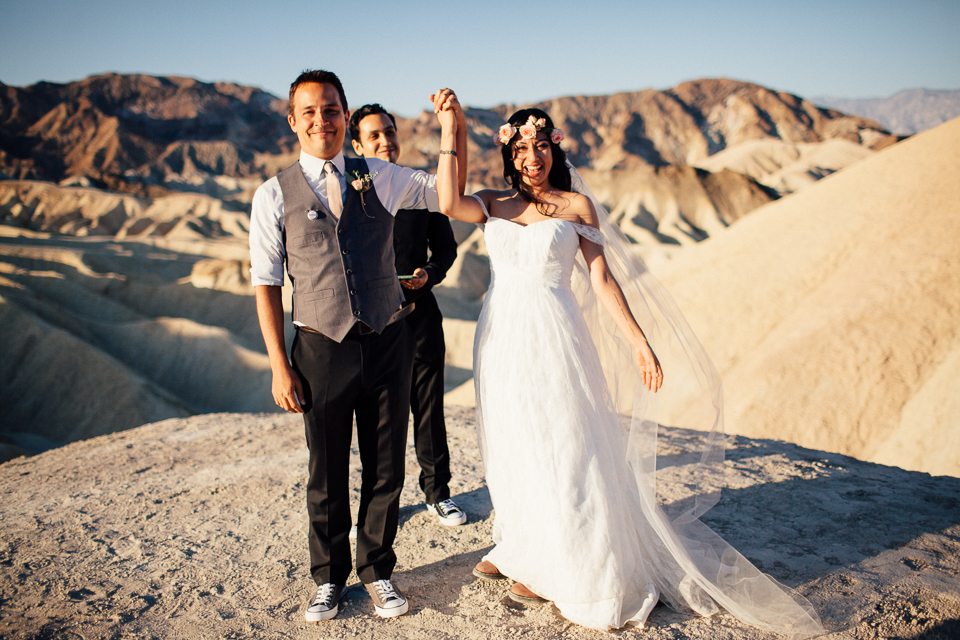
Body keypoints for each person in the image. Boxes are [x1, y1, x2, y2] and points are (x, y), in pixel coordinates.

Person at [430, 96, 824, 637]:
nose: (531, 158)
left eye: (540, 146)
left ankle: (565, 562)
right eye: (521, 149)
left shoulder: (577, 208)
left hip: (556, 338)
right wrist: (451, 126)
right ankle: (523, 544)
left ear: (554, 149)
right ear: (509, 155)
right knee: (514, 441)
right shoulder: (493, 203)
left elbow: (602, 281)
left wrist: (638, 342)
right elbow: (448, 201)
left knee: (568, 445)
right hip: (500, 341)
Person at [248, 70, 466, 623]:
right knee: (326, 473)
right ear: (293, 122)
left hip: (388, 340)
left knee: (385, 466)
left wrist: (450, 129)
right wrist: (279, 364)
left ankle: (378, 571)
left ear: (346, 116)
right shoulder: (273, 195)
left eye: (332, 110)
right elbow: (266, 283)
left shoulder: (382, 176)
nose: (323, 120)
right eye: (311, 112)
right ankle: (328, 579)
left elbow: (445, 195)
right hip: (321, 348)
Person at [348, 104, 466, 530]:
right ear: (357, 146)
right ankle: (385, 504)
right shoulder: (348, 192)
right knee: (381, 418)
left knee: (428, 408)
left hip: (419, 315)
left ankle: (438, 493)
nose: (386, 142)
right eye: (374, 136)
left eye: (390, 133)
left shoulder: (420, 188)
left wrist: (428, 275)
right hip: (371, 326)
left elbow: (447, 250)